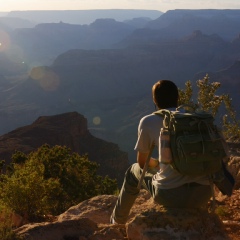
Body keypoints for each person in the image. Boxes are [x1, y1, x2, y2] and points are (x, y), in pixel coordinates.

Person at [110, 80, 212, 224]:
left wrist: (158, 164)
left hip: (171, 195)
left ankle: (117, 222)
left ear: (155, 100)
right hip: (203, 193)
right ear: (178, 98)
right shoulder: (196, 118)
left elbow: (142, 162)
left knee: (133, 171)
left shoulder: (149, 121)